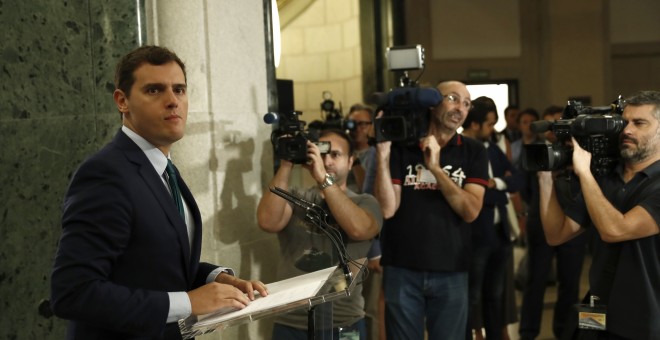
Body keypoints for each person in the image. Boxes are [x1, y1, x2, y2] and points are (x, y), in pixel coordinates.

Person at [49, 46, 268, 339]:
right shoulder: (105, 174)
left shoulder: (163, 168)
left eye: (179, 90)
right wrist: (189, 302)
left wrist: (218, 279)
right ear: (122, 101)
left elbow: (153, 264)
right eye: (155, 90)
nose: (172, 101)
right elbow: (73, 292)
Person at [538, 90, 660, 339]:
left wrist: (584, 173)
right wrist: (545, 178)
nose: (626, 130)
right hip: (596, 308)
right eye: (624, 122)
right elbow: (556, 234)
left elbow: (615, 230)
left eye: (639, 123)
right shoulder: (607, 177)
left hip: (644, 319)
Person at [374, 80, 489, 340]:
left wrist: (436, 169)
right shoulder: (402, 146)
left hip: (452, 270)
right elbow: (388, 209)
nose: (460, 107)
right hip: (402, 269)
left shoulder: (474, 152)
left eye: (467, 103)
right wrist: (382, 156)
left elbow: (470, 211)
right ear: (432, 103)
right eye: (453, 98)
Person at [256, 128, 383, 340]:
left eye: (336, 155)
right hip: (291, 320)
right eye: (322, 153)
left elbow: (358, 228)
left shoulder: (365, 202)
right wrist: (287, 161)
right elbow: (268, 221)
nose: (327, 160)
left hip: (345, 321)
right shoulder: (297, 197)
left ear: (351, 161)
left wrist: (324, 179)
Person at [518, 105, 587, 340]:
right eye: (548, 125)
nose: (552, 131)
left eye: (556, 124)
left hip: (575, 223)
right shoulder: (536, 152)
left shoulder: (580, 153)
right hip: (540, 225)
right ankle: (528, 332)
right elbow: (525, 189)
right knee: (535, 281)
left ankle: (564, 332)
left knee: (569, 282)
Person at [462, 97, 523, 340]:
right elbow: (467, 194)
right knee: (471, 296)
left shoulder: (492, 147)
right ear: (475, 124)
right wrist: (497, 191)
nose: (494, 129)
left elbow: (518, 179)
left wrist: (495, 183)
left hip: (500, 233)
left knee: (494, 297)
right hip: (476, 235)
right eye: (489, 124)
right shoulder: (461, 149)